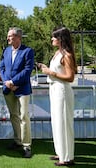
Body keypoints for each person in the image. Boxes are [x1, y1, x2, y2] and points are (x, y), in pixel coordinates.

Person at [38, 27, 76, 166]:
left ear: (60, 39)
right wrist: (46, 69)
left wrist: (50, 73)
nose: (52, 39)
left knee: (64, 123)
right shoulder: (57, 53)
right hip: (54, 89)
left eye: (54, 37)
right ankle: (61, 152)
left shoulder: (67, 55)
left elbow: (70, 77)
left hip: (62, 90)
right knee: (57, 122)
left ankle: (67, 157)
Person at [0, 27, 34, 158]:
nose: (8, 38)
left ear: (18, 37)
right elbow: (1, 67)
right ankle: (17, 141)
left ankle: (26, 146)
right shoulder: (6, 51)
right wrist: (7, 82)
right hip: (8, 88)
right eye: (8, 36)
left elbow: (27, 70)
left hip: (22, 89)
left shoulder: (28, 51)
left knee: (24, 116)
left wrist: (13, 82)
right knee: (14, 116)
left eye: (10, 36)